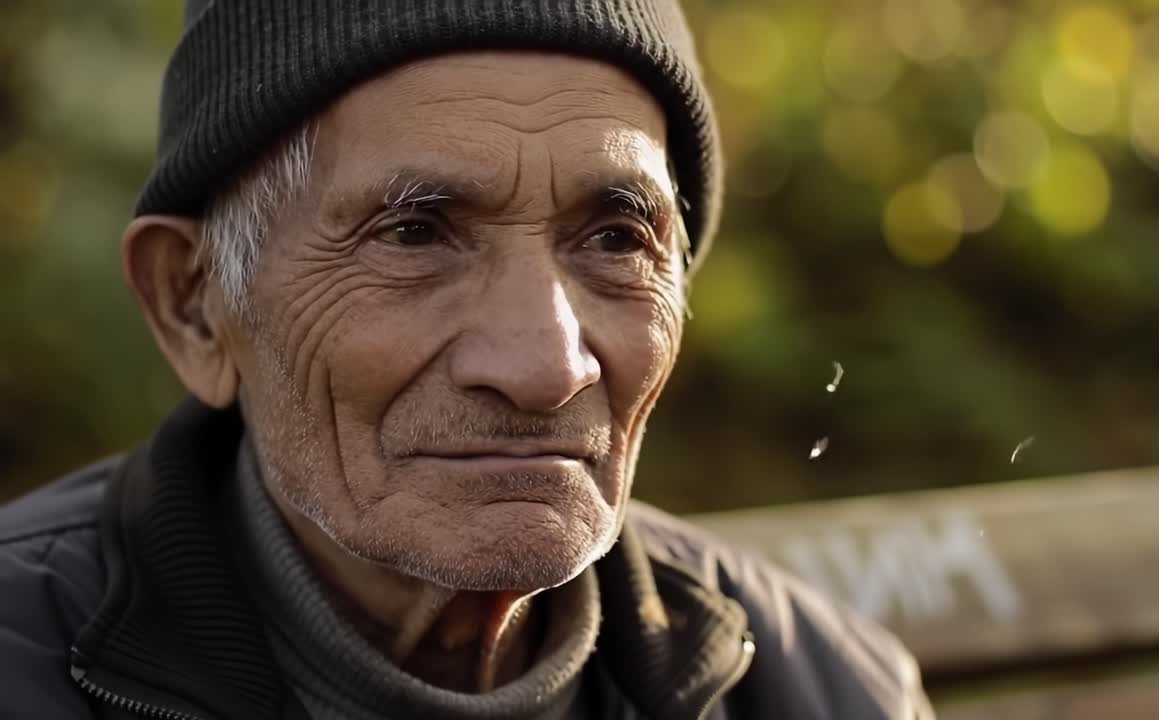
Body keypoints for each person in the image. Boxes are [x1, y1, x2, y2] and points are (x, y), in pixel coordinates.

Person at [0, 2, 935, 718]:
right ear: (196, 305)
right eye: (414, 234)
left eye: (615, 239)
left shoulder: (823, 689)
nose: (547, 365)